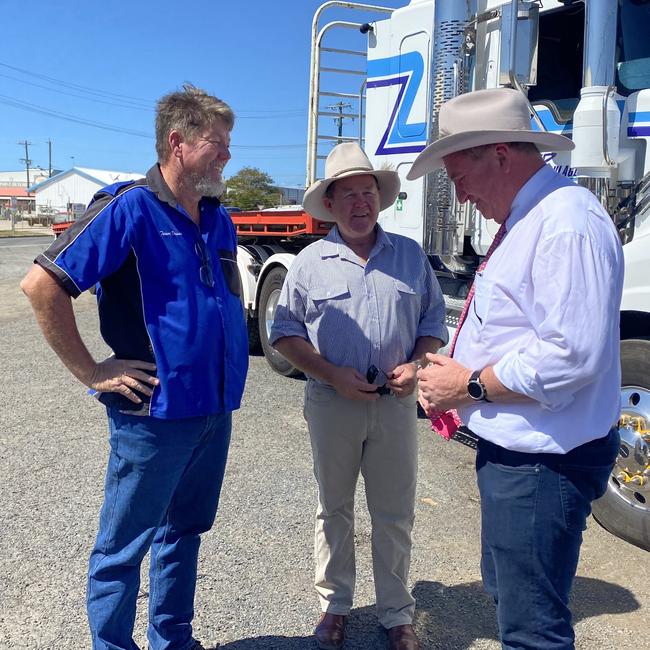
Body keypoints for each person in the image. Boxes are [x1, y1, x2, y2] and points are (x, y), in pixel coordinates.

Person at [20, 84, 248, 650]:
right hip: (152, 415)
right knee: (124, 545)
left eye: (227, 144)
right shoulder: (129, 208)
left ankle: (173, 640)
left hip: (214, 411)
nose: (226, 155)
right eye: (216, 143)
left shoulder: (217, 218)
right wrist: (91, 371)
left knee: (185, 532)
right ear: (177, 142)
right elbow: (42, 285)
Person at [410, 88, 623, 650]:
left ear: (499, 154)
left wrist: (470, 383)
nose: (460, 194)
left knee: (531, 631)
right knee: (511, 597)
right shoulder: (538, 215)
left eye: (459, 176)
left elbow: (571, 354)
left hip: (540, 464)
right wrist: (453, 373)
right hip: (522, 454)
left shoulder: (565, 221)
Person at [270, 143, 448, 650]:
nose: (358, 202)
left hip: (394, 406)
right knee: (334, 508)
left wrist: (415, 365)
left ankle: (397, 613)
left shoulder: (410, 257)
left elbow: (433, 323)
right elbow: (284, 334)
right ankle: (334, 607)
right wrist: (330, 373)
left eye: (366, 191)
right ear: (330, 204)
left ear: (379, 197)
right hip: (333, 405)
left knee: (394, 511)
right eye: (346, 193)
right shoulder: (309, 263)